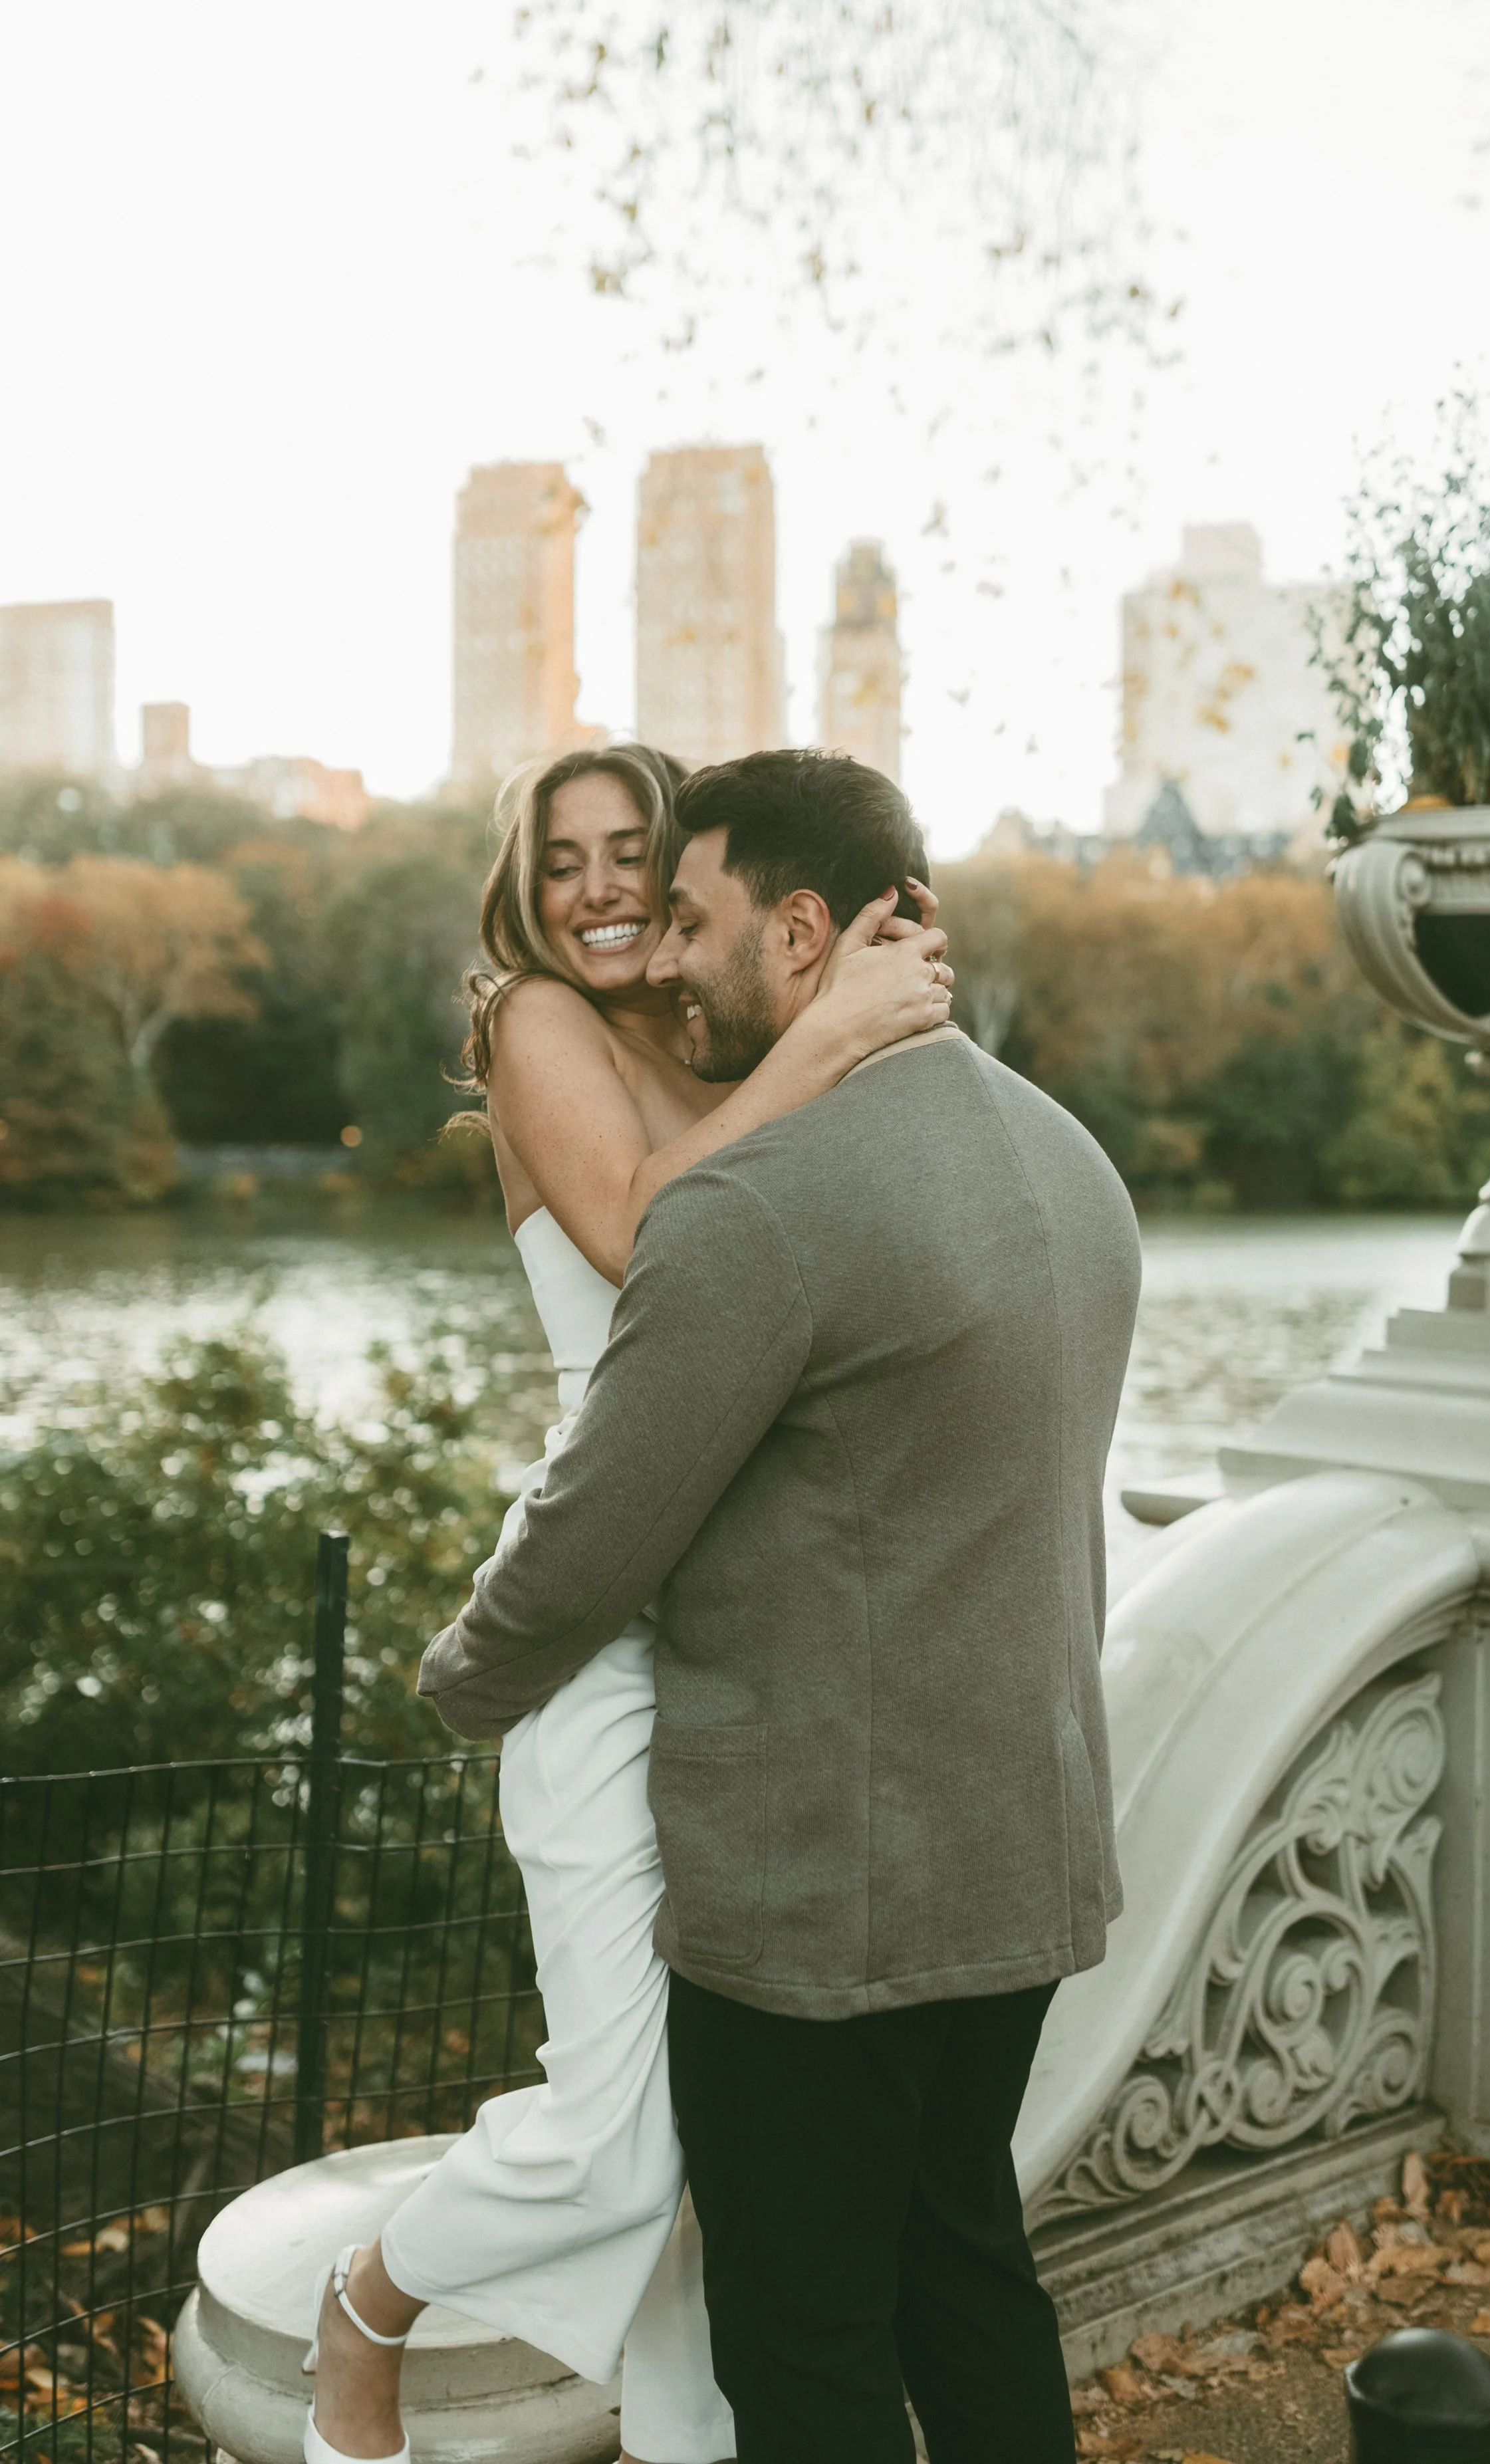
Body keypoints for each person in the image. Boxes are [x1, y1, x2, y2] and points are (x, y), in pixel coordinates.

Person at [420, 748, 1143, 2464]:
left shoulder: (764, 1207)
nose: (660, 952)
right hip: (1021, 1852)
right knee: (965, 2271)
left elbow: (603, 1528)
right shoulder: (1070, 1161)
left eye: (692, 914)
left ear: (803, 932)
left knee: (803, 2343)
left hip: (828, 1896)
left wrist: (465, 1678)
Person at [302, 743, 953, 2464]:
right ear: (525, 886)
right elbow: (642, 1232)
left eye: (630, 856)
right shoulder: (537, 1023)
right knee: (621, 2134)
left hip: (766, 1620)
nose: (595, 888)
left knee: (718, 2133)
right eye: (562, 857)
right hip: (602, 1608)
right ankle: (368, 2300)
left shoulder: (720, 1032)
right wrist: (828, 1037)